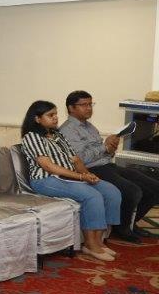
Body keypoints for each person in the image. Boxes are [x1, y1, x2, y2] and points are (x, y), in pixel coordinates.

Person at [21, 100, 122, 261]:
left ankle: (99, 241)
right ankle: (90, 245)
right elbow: (48, 166)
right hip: (46, 180)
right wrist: (81, 177)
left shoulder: (57, 135)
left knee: (111, 191)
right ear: (37, 119)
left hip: (69, 177)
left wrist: (88, 174)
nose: (55, 118)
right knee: (92, 196)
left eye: (56, 114)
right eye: (50, 115)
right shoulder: (32, 137)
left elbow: (76, 160)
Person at [61, 92, 159, 242]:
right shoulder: (68, 130)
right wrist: (105, 147)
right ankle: (122, 228)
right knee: (132, 190)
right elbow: (81, 158)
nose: (89, 108)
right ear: (71, 108)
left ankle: (130, 223)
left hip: (107, 165)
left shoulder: (89, 127)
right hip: (90, 170)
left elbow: (103, 153)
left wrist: (110, 149)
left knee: (153, 187)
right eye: (84, 105)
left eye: (90, 104)